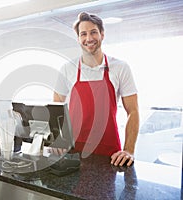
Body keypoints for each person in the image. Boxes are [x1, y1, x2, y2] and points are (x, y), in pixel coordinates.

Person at [53, 12, 139, 166]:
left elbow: (133, 111)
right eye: (83, 34)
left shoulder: (120, 68)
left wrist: (129, 150)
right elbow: (56, 109)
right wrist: (58, 139)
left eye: (93, 32)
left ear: (102, 34)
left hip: (110, 154)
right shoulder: (67, 69)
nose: (89, 38)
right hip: (73, 151)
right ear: (78, 38)